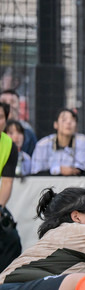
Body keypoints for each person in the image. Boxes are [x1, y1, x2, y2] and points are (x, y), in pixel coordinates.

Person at [30, 108, 85, 176]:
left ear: (76, 126)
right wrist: (59, 170)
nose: (68, 122)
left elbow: (81, 167)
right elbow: (36, 171)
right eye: (64, 120)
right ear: (56, 125)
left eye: (72, 120)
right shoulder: (42, 144)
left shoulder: (82, 140)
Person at [0, 102, 22, 272]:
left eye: (1, 117)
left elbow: (7, 182)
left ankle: (5, 285)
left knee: (12, 240)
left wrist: (0, 208)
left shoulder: (8, 145)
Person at [0, 89, 37, 156]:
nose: (8, 105)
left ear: (19, 105)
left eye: (12, 102)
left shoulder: (28, 131)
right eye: (4, 101)